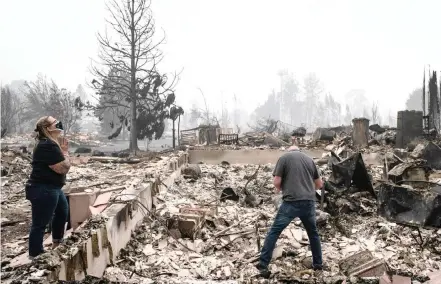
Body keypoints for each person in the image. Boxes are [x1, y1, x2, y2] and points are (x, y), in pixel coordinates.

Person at [256, 145, 324, 278]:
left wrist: (284, 189)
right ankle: (318, 265)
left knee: (274, 232)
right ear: (298, 150)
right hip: (308, 202)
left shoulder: (284, 158)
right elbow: (319, 184)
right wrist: (308, 190)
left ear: (289, 151)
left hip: (291, 202)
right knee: (313, 233)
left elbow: (277, 182)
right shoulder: (310, 160)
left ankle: (263, 264)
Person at [25, 116, 71, 258]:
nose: (58, 124)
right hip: (43, 189)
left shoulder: (51, 143)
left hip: (52, 187)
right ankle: (35, 254)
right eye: (54, 123)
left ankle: (57, 242)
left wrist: (63, 152)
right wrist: (65, 153)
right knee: (40, 223)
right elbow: (63, 168)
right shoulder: (47, 145)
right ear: (47, 128)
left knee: (62, 212)